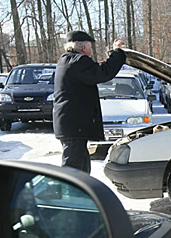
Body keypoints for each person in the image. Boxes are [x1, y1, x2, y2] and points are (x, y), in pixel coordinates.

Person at [53, 31, 126, 174]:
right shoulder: (78, 61)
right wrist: (117, 52)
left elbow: (96, 70)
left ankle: (81, 193)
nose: (91, 51)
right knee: (73, 171)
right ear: (84, 48)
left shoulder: (66, 60)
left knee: (82, 169)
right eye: (90, 47)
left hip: (70, 126)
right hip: (74, 127)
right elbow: (103, 73)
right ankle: (70, 196)